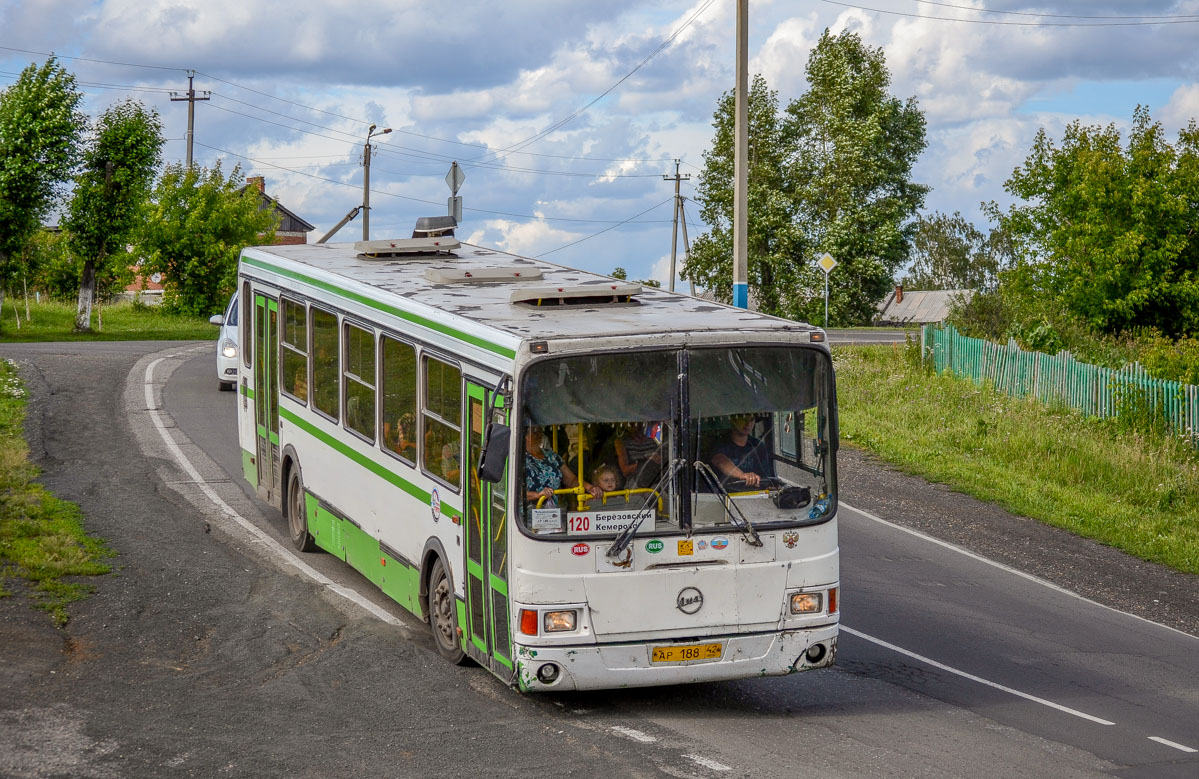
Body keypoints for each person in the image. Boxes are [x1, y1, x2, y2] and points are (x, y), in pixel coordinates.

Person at [524, 426, 601, 506]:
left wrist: (590, 488)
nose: (538, 435)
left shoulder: (551, 455)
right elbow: (514, 492)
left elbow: (571, 480)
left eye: (540, 432)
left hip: (553, 511)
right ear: (524, 435)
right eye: (533, 432)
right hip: (527, 514)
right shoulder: (518, 459)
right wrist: (537, 495)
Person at [710, 413, 775, 488]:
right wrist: (741, 475)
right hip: (724, 496)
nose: (748, 423)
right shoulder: (720, 443)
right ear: (733, 420)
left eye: (751, 420)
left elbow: (765, 477)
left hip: (754, 496)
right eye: (744, 419)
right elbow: (720, 460)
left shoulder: (758, 446)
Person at [614, 422, 662, 489]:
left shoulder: (652, 441)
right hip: (635, 487)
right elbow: (625, 471)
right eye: (632, 424)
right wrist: (646, 461)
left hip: (655, 483)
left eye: (639, 423)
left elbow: (662, 464)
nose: (636, 427)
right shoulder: (622, 443)